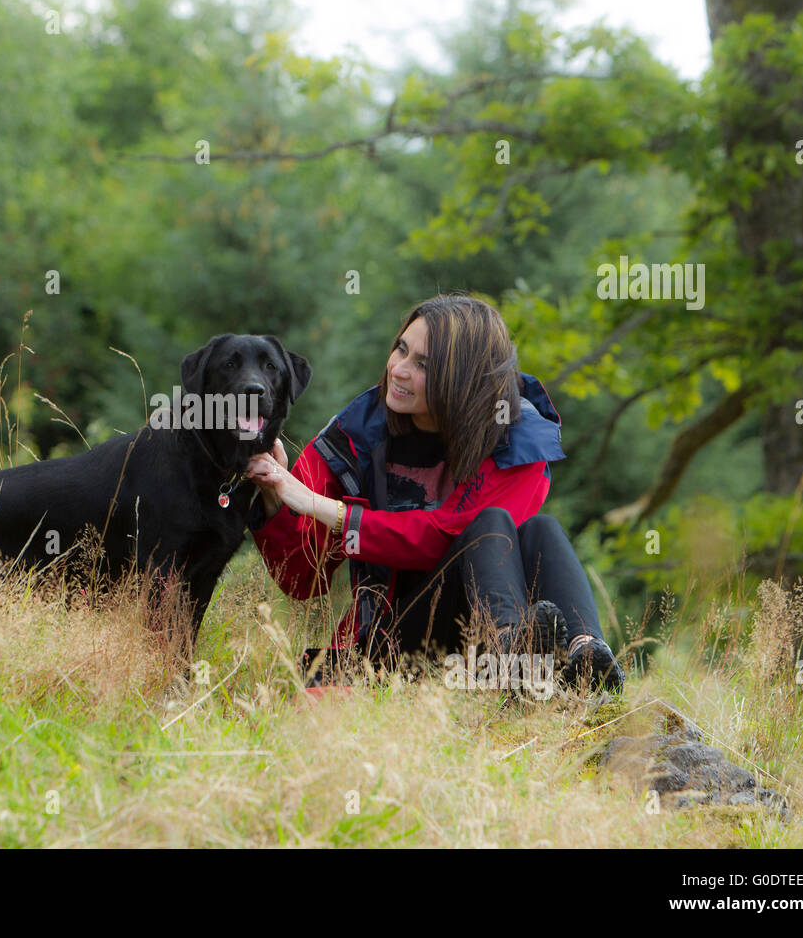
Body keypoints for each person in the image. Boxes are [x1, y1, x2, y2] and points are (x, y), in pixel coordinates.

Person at [244, 294, 624, 690]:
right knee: (497, 523)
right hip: (392, 643)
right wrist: (277, 492)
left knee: (534, 528)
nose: (399, 370)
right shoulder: (357, 432)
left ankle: (585, 656)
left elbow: (443, 537)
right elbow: (303, 580)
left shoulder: (517, 437)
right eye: (401, 350)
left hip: (477, 637)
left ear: (462, 378)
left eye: (423, 365)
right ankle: (514, 658)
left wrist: (328, 509)